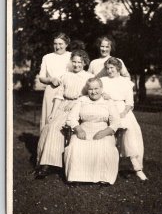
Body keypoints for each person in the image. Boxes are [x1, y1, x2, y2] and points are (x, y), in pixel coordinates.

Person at [35, 50, 93, 179]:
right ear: (71, 62)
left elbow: (89, 96)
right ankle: (46, 164)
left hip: (79, 107)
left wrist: (74, 104)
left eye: (79, 62)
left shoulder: (88, 77)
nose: (76, 64)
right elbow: (59, 96)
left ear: (84, 63)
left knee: (59, 128)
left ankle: (55, 163)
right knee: (50, 127)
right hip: (63, 106)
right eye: (74, 61)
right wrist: (53, 113)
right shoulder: (65, 75)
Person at [64, 77, 120, 185]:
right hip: (84, 128)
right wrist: (79, 129)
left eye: (96, 88)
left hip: (103, 130)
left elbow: (116, 121)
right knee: (75, 146)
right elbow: (71, 117)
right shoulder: (82, 100)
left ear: (101, 88)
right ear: (87, 90)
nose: (93, 92)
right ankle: (77, 177)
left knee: (105, 147)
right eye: (90, 89)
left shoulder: (108, 102)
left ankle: (104, 177)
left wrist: (104, 132)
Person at [101, 57, 148, 181]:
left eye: (112, 68)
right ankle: (104, 166)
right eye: (107, 68)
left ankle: (137, 167)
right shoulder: (102, 80)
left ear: (118, 68)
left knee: (131, 131)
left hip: (122, 109)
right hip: (106, 109)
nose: (109, 70)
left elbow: (129, 103)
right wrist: (103, 96)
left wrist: (123, 113)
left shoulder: (126, 82)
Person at [39, 32, 71, 132]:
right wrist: (50, 79)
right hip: (51, 91)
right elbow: (41, 77)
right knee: (49, 118)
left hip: (67, 92)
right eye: (55, 44)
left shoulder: (71, 56)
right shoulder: (47, 57)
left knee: (65, 120)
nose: (57, 46)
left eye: (60, 44)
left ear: (66, 44)